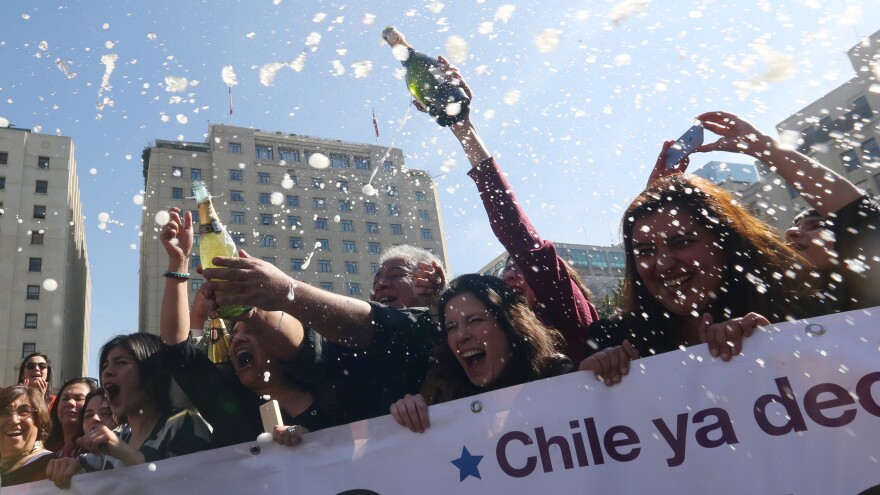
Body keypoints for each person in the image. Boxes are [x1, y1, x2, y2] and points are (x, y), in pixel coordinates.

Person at [409, 55, 598, 363]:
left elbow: (516, 231)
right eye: (506, 269)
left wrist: (463, 128)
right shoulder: (504, 346)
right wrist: (437, 303)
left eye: (519, 267)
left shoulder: (569, 318)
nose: (510, 276)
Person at [580, 170, 814, 385]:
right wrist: (588, 385)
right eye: (645, 251)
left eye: (682, 242)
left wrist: (775, 343)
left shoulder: (794, 312)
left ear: (726, 242)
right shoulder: (612, 337)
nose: (663, 264)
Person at [158, 208, 342, 448]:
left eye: (250, 330)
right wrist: (179, 262)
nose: (237, 340)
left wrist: (311, 443)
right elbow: (177, 350)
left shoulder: (337, 391)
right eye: (233, 334)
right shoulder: (229, 404)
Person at [201, 248, 442, 422]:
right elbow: (307, 347)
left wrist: (288, 291)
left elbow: (377, 325)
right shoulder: (352, 355)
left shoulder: (447, 338)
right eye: (377, 278)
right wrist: (251, 311)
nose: (380, 285)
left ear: (431, 281)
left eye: (396, 274)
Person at [693, 110, 880, 313]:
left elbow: (856, 213)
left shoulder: (868, 293)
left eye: (816, 226)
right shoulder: (773, 314)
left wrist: (760, 145)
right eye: (793, 227)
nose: (790, 234)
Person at [390, 274, 572, 433]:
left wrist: (600, 371)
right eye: (451, 327)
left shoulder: (557, 375)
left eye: (475, 320)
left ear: (510, 325)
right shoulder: (442, 389)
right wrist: (409, 414)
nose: (461, 336)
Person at [46, 333, 212, 490]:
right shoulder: (118, 437)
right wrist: (69, 467)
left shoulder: (184, 424)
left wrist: (125, 453)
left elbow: (187, 486)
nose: (107, 372)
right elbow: (84, 469)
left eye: (121, 362)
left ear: (151, 374)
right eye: (105, 366)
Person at [0, 385, 53, 487]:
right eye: (4, 412)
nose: (14, 420)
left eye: (24, 411)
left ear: (39, 421)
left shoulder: (52, 467)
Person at [372, 244, 446, 310]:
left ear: (426, 281)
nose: (380, 284)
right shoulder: (369, 321)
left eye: (396, 275)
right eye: (375, 282)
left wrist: (435, 303)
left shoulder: (444, 319)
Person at [45, 377, 98, 456]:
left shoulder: (98, 452)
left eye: (79, 398)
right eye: (65, 398)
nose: (70, 403)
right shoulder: (46, 452)